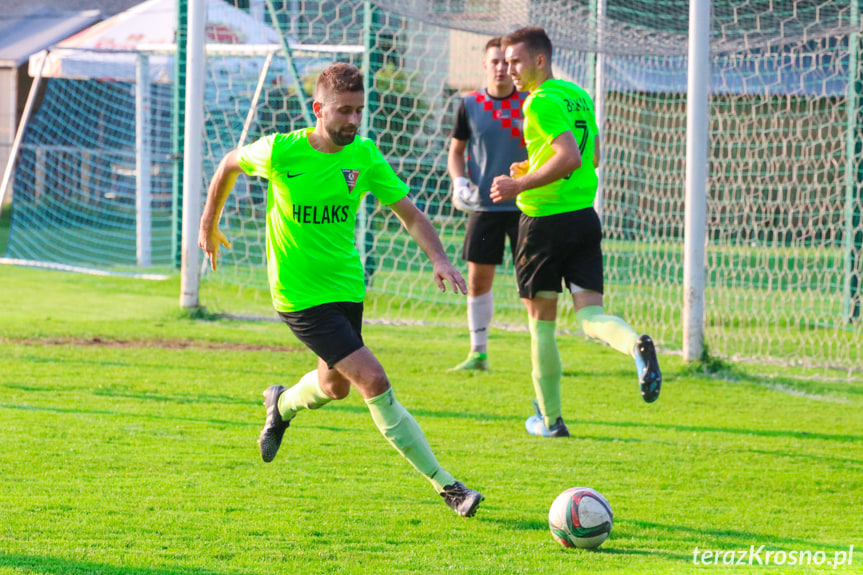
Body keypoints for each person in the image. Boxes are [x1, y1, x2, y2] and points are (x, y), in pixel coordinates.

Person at [198, 62, 483, 517]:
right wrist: (209, 223)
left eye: (359, 111)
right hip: (299, 294)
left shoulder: (365, 156)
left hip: (347, 287)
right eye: (344, 111)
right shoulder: (280, 152)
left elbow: (409, 213)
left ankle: (282, 404)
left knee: (335, 387)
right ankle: (447, 486)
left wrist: (439, 258)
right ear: (319, 109)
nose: (353, 120)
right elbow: (229, 163)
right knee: (374, 379)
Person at [490, 27, 662, 438]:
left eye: (515, 61)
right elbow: (593, 156)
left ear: (540, 60)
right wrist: (532, 168)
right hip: (584, 218)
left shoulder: (539, 103)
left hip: (544, 225)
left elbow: (567, 158)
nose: (509, 69)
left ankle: (549, 421)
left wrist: (519, 185)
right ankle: (634, 343)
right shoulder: (577, 95)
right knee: (590, 316)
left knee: (541, 326)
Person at [447, 37, 529, 372]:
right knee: (478, 281)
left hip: (527, 206)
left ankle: (542, 350)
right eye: (493, 62)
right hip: (484, 207)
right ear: (485, 65)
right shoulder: (470, 104)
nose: (500, 68)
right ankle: (478, 352)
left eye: (505, 62)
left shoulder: (531, 103)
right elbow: (456, 150)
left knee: (532, 284)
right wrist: (459, 180)